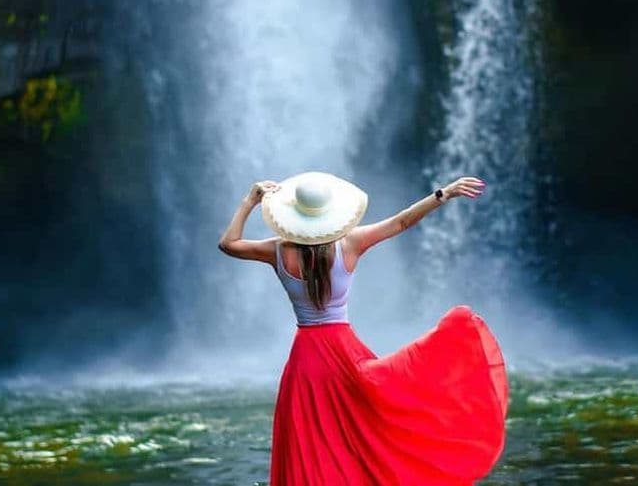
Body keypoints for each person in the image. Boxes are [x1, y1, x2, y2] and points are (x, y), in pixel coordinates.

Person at [218, 171, 509, 486]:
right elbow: (401, 223)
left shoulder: (275, 250)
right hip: (344, 353)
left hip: (305, 361)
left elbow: (228, 244)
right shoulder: (349, 244)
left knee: (309, 441)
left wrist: (249, 201)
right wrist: (443, 194)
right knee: (365, 432)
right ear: (329, 216)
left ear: (293, 217)